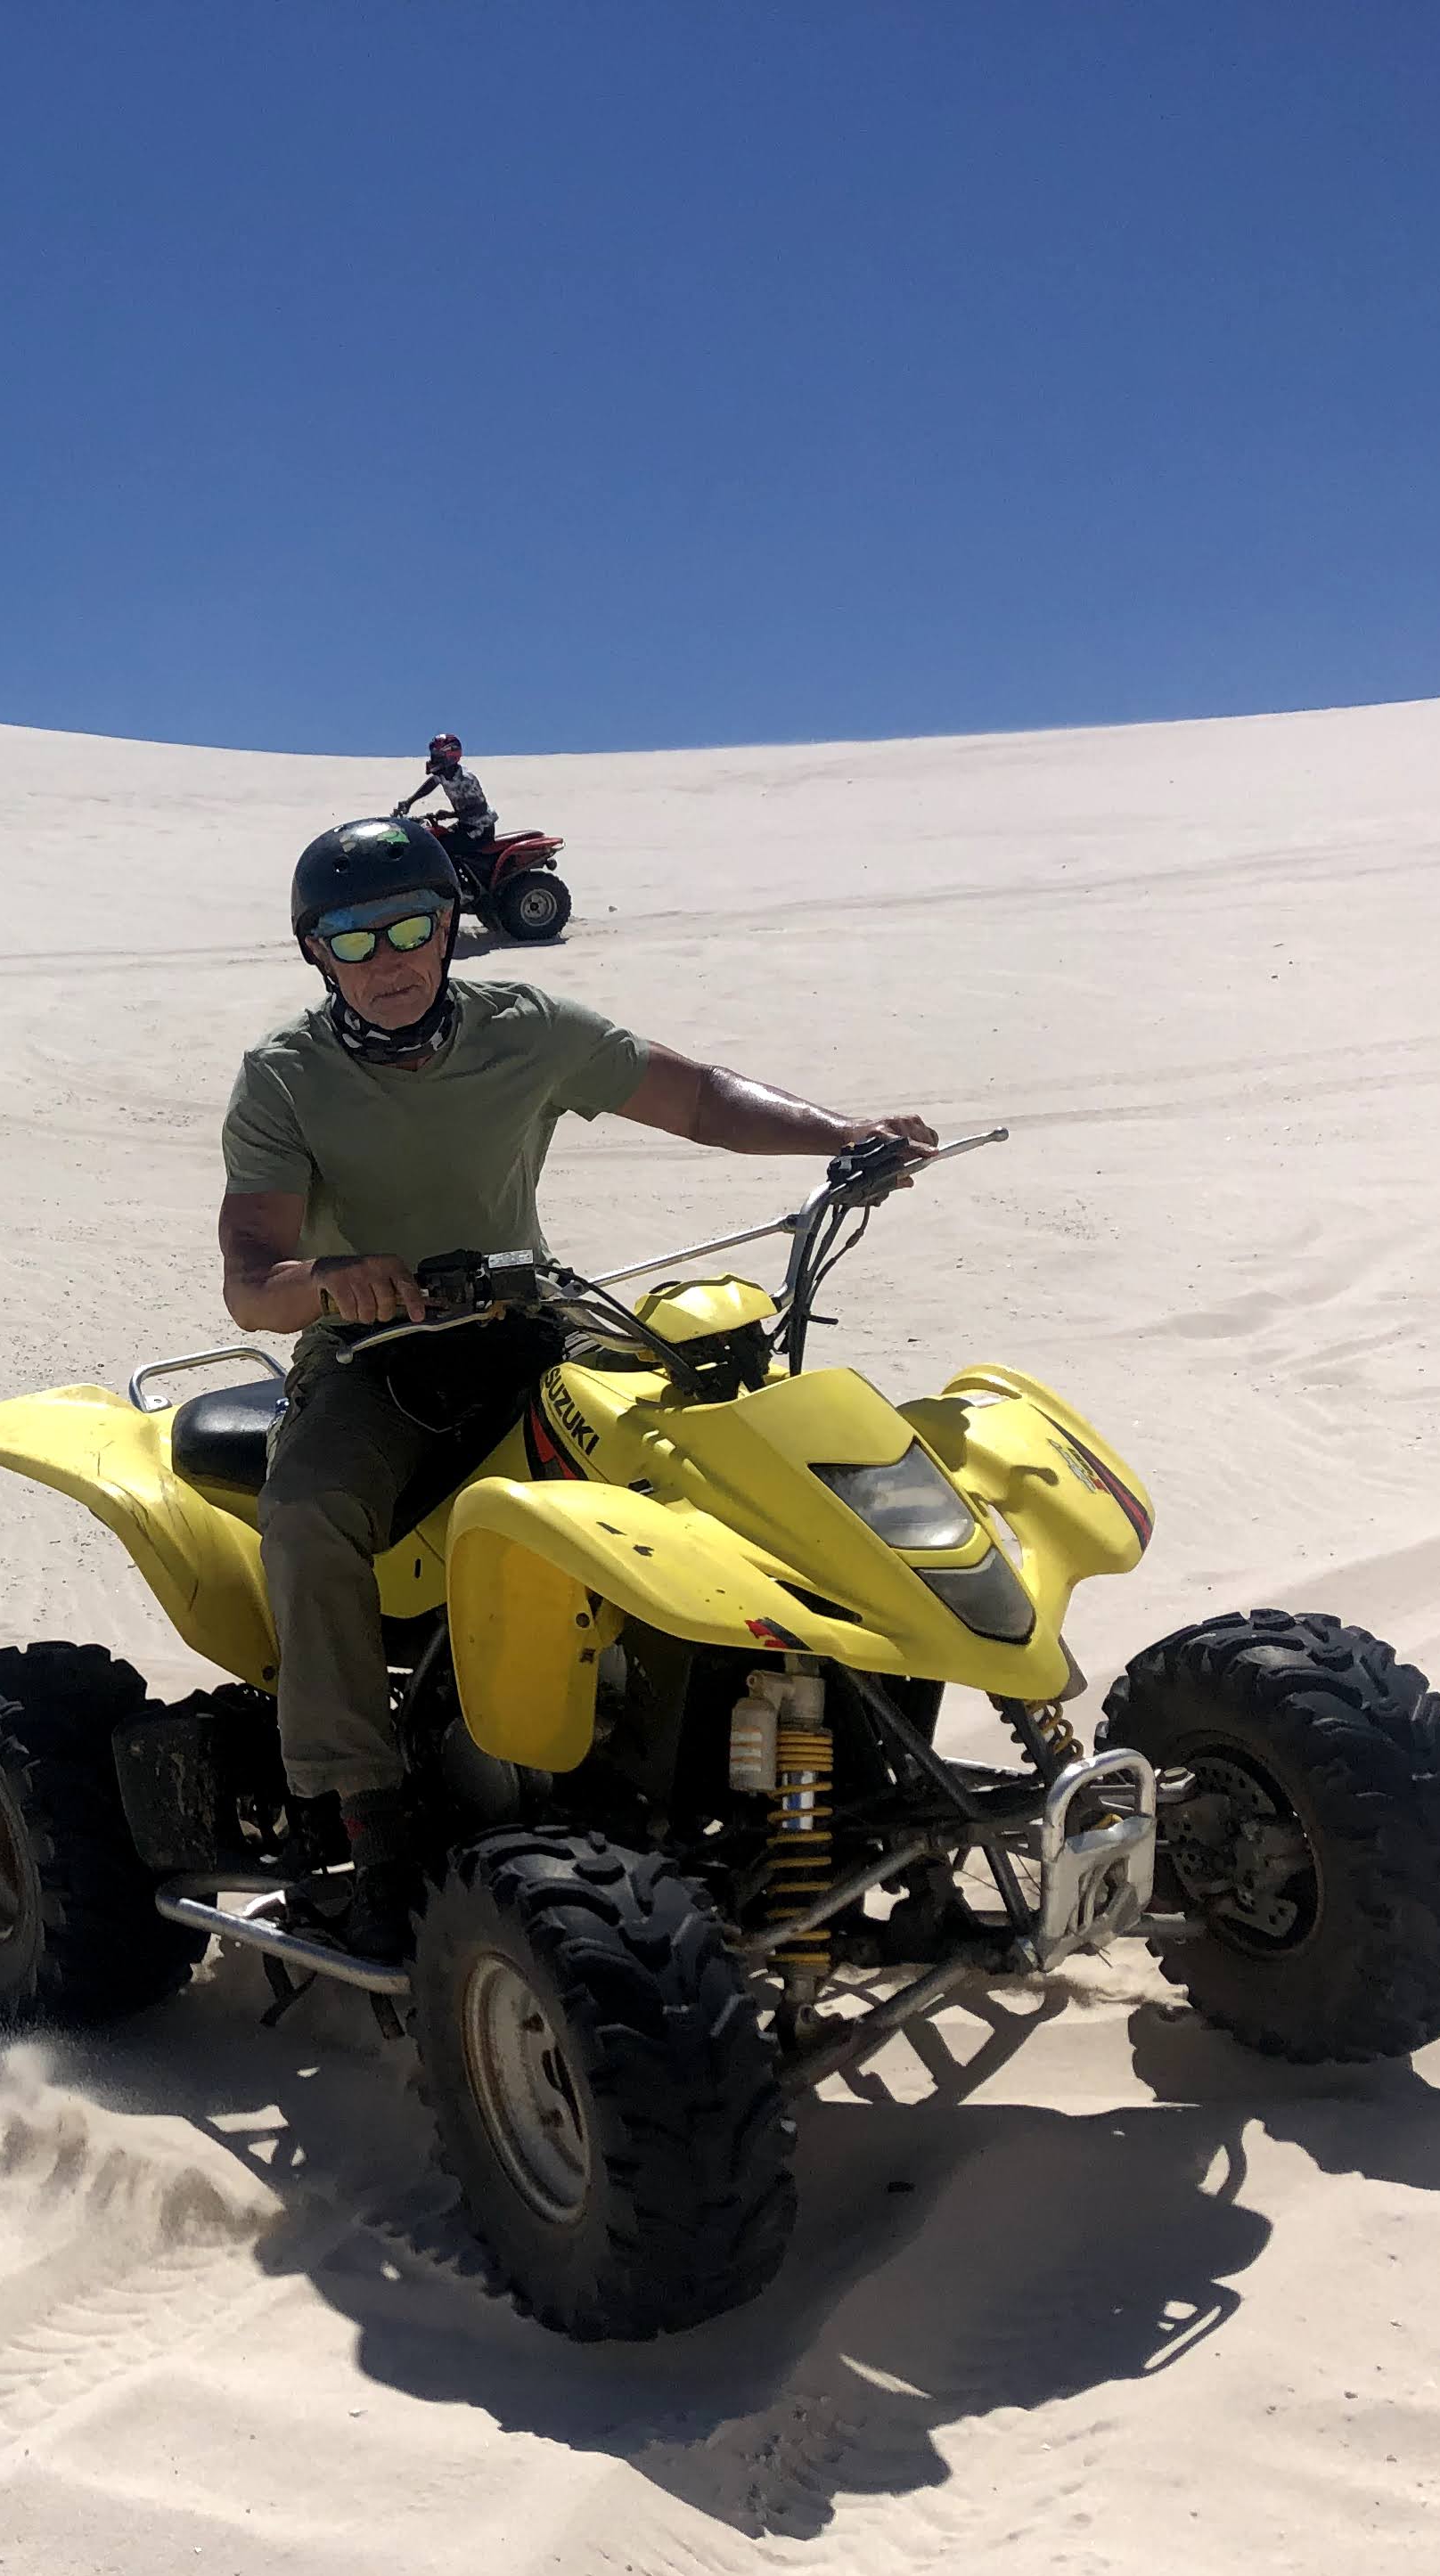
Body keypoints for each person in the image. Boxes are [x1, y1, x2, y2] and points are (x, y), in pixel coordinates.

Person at [216, 817, 937, 1956]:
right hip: (371, 1363)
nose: (391, 957)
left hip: (533, 1328)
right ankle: (367, 1815)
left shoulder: (530, 1030)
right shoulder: (286, 1078)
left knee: (715, 1439)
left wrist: (842, 1139)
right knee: (308, 1518)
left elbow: (697, 1099)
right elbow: (251, 1283)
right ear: (316, 951)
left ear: (453, 926)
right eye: (356, 937)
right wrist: (335, 1281)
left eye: (413, 924)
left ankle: (805, 1736)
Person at [389, 732, 498, 876]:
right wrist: (410, 801)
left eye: (438, 756)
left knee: (441, 849)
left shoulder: (466, 780)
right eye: (433, 755)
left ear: (451, 756)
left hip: (480, 829)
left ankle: (458, 886)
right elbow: (431, 784)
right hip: (465, 825)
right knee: (435, 838)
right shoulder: (444, 774)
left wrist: (450, 815)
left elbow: (479, 809)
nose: (434, 759)